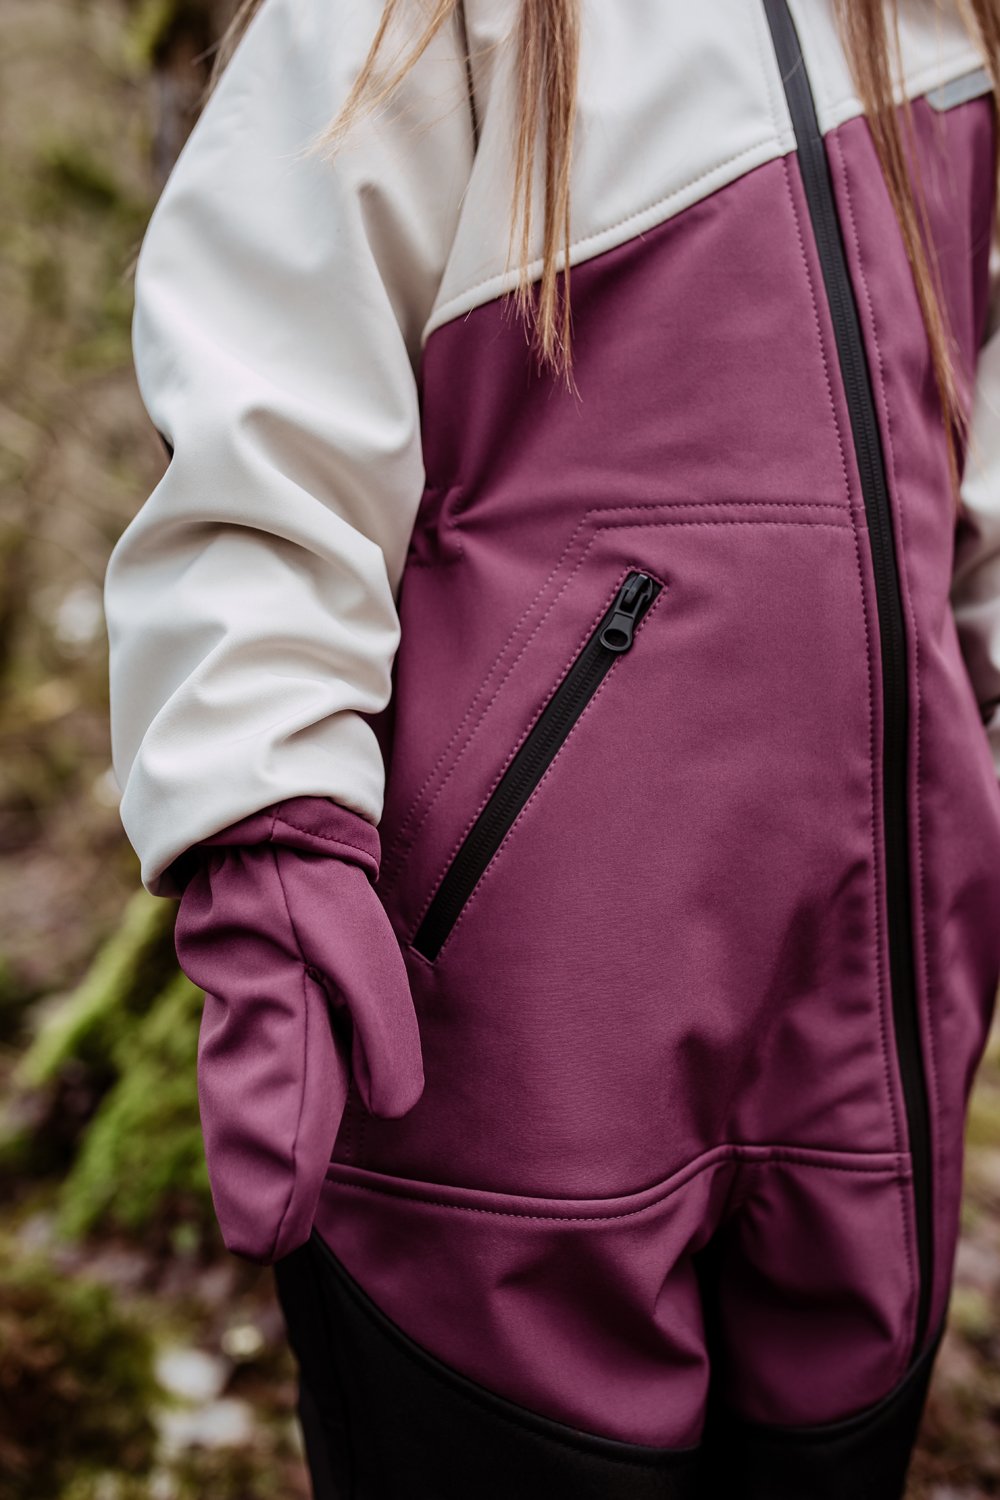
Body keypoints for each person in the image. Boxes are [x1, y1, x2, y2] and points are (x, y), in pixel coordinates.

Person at [102, 0, 1000, 1494]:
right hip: (520, 1046)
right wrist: (264, 829)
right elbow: (263, 415)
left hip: (881, 1030)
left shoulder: (936, 20)